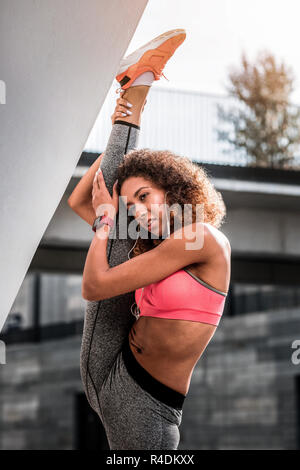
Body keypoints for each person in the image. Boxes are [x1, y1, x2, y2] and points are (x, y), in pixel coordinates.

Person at [68, 29, 231, 450]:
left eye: (144, 197)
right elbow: (80, 200)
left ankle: (134, 92)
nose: (137, 211)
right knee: (113, 219)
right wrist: (117, 144)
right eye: (131, 204)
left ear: (173, 190)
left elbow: (95, 286)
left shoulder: (201, 238)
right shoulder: (152, 244)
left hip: (145, 400)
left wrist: (108, 221)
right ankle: (133, 93)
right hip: (112, 360)